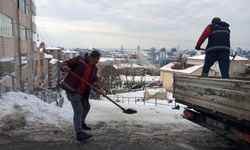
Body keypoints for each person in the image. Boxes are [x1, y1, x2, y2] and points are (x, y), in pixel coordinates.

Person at [61, 50, 101, 141]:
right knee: (78, 110)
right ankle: (79, 133)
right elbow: (66, 63)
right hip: (73, 90)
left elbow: (94, 80)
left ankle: (81, 123)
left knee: (86, 107)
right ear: (92, 57)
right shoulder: (80, 60)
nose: (97, 61)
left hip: (83, 93)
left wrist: (97, 87)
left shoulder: (94, 69)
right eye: (97, 59)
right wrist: (65, 67)